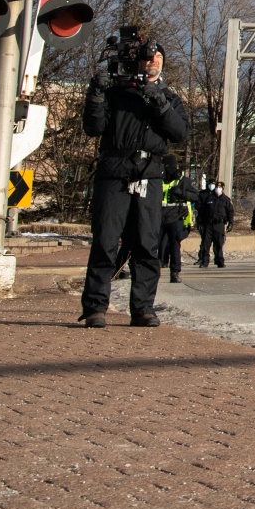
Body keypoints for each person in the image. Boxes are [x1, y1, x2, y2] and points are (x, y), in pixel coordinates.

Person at [80, 36, 189, 328]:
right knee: (105, 241)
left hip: (149, 175)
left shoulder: (169, 97)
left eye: (158, 60)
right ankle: (95, 308)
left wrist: (159, 103)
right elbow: (94, 127)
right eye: (148, 59)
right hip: (114, 173)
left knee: (146, 244)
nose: (152, 64)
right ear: (136, 62)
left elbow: (180, 133)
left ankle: (142, 308)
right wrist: (97, 94)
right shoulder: (116, 94)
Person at [159, 168, 198, 283]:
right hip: (159, 217)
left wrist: (181, 193)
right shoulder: (159, 179)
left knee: (174, 246)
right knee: (157, 246)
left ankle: (175, 273)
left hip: (176, 218)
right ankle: (155, 270)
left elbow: (196, 196)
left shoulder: (183, 181)